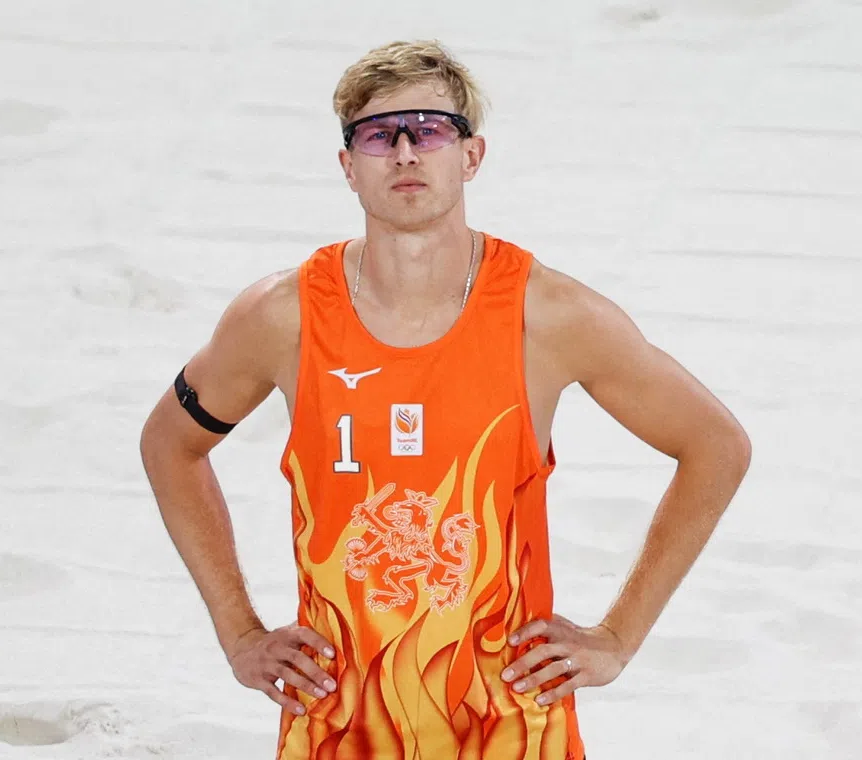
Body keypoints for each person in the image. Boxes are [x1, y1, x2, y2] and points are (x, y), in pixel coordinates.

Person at [139, 39, 751, 760]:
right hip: (340, 727)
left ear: (471, 156)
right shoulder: (285, 316)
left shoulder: (545, 315)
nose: (404, 153)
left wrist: (618, 637)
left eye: (430, 129)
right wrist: (239, 631)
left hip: (513, 729)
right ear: (347, 166)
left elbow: (715, 446)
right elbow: (170, 446)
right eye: (377, 135)